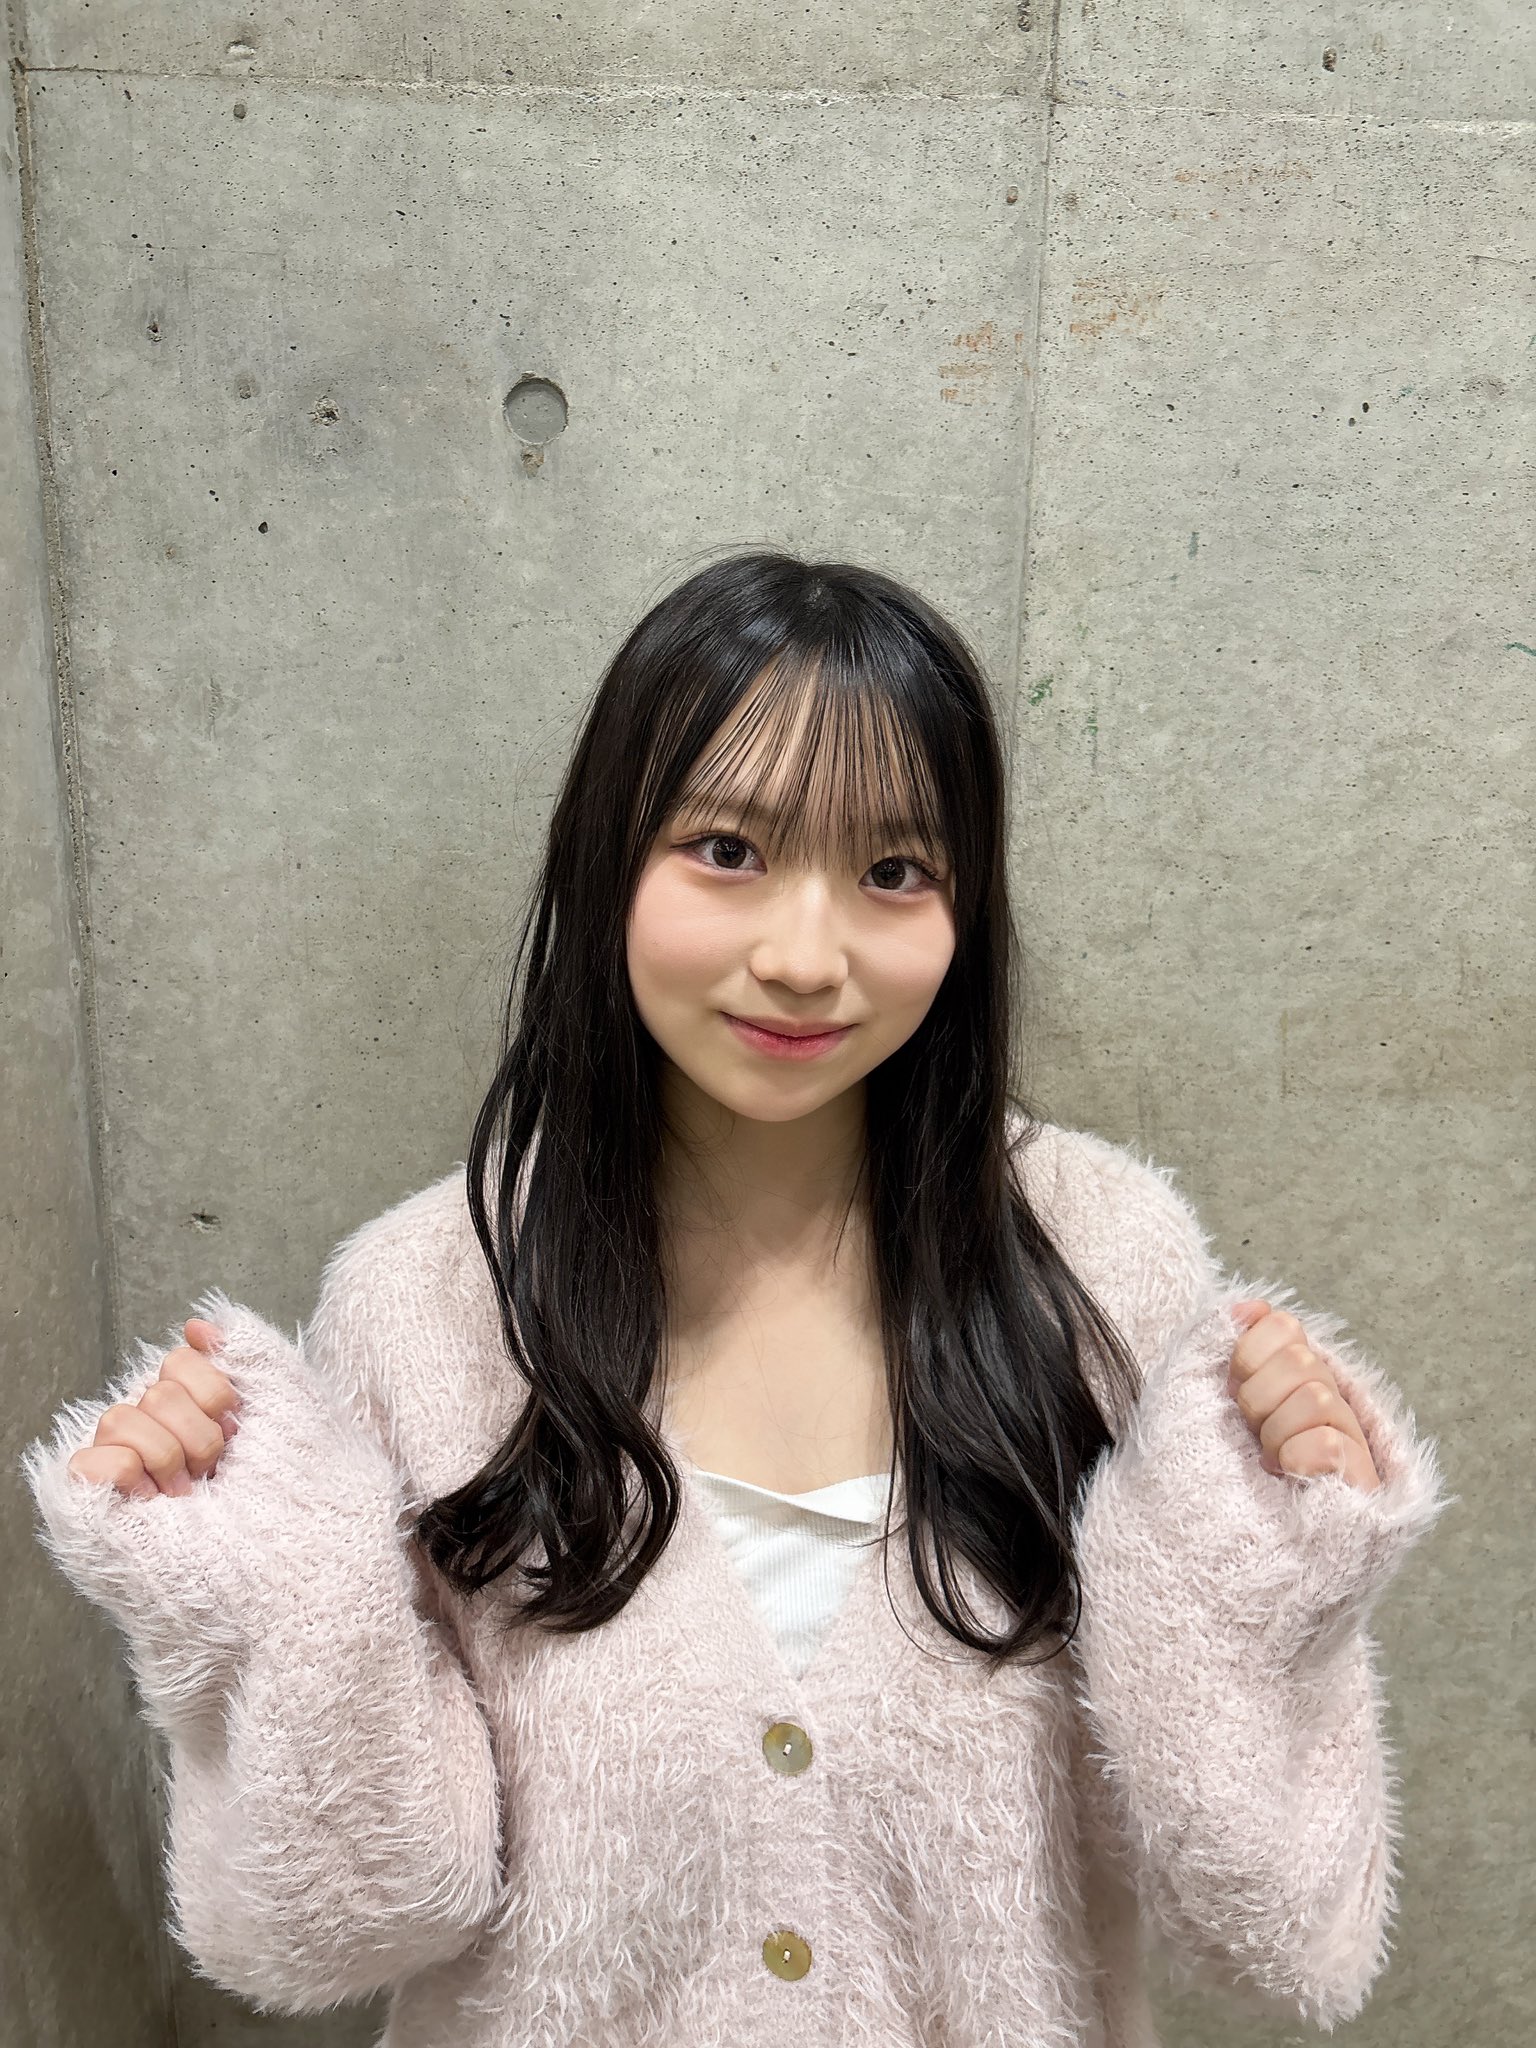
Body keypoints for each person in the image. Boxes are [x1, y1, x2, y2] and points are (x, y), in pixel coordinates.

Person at [23, 550, 1451, 2046]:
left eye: (894, 873)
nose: (805, 957)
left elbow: (1265, 1916)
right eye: (728, 849)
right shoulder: (426, 1300)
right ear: (608, 861)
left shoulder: (1102, 1261)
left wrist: (1275, 1560)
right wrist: (260, 1587)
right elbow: (341, 1922)